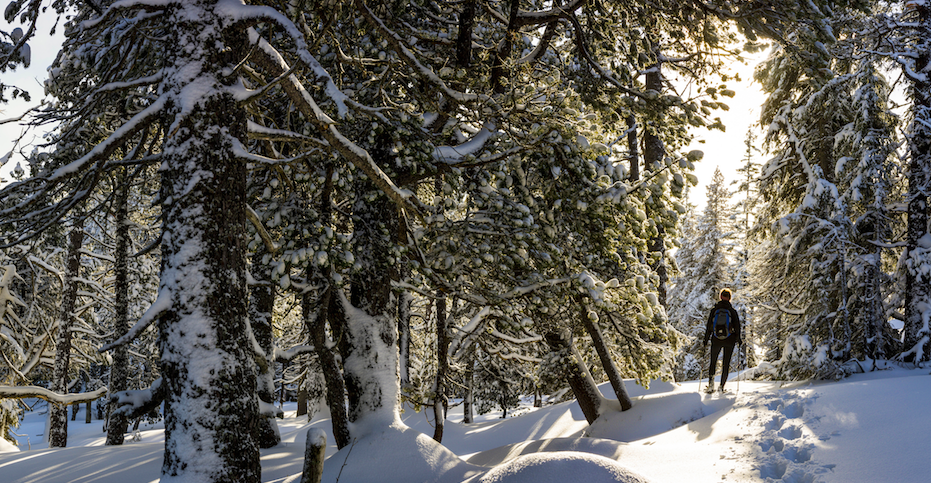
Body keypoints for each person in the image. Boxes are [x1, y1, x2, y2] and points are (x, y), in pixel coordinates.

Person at [702, 288, 742, 393]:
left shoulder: (714, 310)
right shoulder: (732, 311)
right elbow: (737, 327)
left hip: (716, 339)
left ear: (720, 297)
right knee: (726, 363)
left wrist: (706, 339)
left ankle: (711, 386)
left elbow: (709, 326)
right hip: (730, 340)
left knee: (713, 362)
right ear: (729, 298)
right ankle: (721, 387)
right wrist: (738, 339)